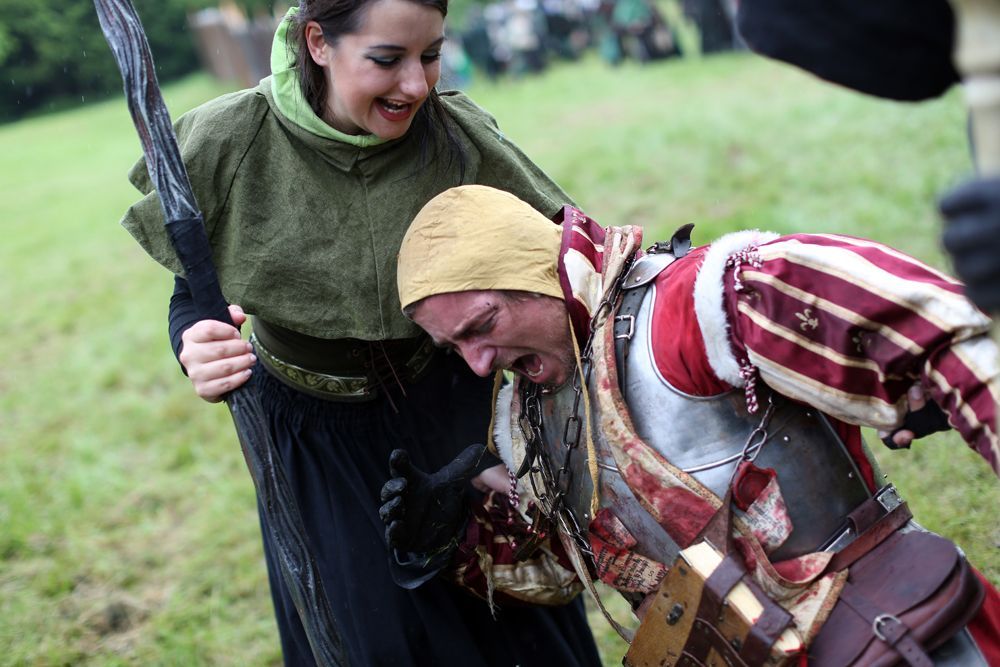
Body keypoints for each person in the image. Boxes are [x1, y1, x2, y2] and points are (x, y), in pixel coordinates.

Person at [119, 1, 603, 664]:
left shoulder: (455, 134)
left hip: (456, 410)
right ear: (318, 42)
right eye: (387, 59)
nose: (416, 84)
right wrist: (195, 341)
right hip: (317, 444)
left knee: (515, 621)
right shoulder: (232, 139)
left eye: (430, 54)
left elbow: (568, 259)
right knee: (375, 637)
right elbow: (194, 290)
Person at [382, 184, 1000, 664]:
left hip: (873, 636)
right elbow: (576, 571)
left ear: (535, 274)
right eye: (454, 347)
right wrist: (461, 536)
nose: (478, 363)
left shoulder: (696, 304)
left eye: (482, 325)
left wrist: (925, 382)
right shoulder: (530, 416)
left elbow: (932, 323)